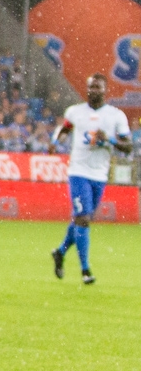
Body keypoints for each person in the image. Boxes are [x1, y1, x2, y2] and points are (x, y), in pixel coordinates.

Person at [51, 73, 131, 285]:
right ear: (87, 89)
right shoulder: (75, 112)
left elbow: (128, 145)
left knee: (81, 219)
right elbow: (65, 129)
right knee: (84, 219)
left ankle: (60, 252)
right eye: (91, 87)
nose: (94, 91)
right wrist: (55, 141)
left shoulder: (116, 116)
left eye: (98, 87)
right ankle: (85, 270)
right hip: (78, 171)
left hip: (100, 174)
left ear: (106, 90)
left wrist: (110, 139)